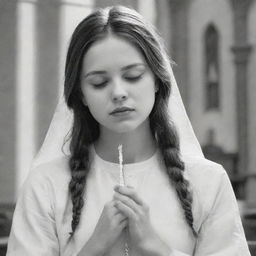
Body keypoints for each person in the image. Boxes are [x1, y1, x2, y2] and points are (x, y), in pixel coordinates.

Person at [7, 5, 251, 256]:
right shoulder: (45, 184)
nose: (118, 93)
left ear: (157, 80)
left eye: (133, 76)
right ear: (81, 94)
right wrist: (93, 247)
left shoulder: (208, 181)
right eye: (99, 82)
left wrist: (160, 249)